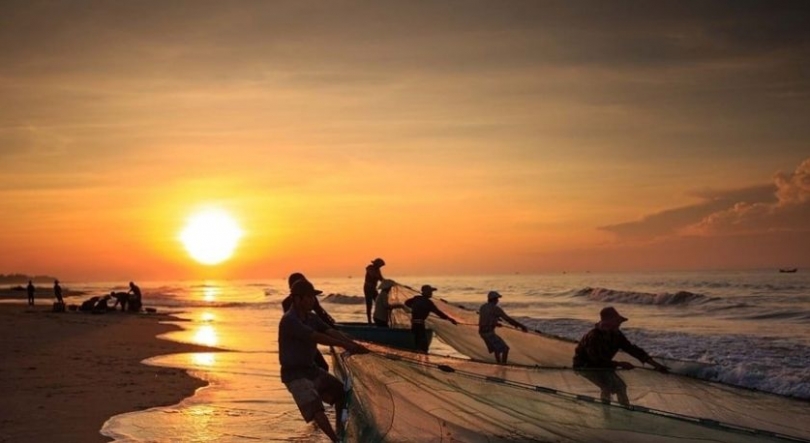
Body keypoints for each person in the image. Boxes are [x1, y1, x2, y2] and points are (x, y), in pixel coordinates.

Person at [279, 278, 369, 442]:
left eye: (313, 297)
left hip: (311, 370)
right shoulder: (289, 320)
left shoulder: (311, 317)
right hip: (295, 375)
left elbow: (329, 331)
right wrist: (344, 345)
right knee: (316, 409)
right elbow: (317, 336)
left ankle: (340, 432)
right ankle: (336, 440)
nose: (313, 301)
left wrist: (351, 343)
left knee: (341, 392)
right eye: (309, 297)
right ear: (298, 299)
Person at [573, 306, 669, 373]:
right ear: (607, 323)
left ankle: (608, 399)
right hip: (585, 366)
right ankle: (606, 400)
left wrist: (656, 365)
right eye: (616, 322)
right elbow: (596, 360)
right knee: (615, 386)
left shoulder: (616, 334)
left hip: (604, 365)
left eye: (618, 322)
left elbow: (631, 349)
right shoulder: (593, 336)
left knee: (617, 387)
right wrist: (619, 364)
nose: (619, 324)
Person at [281, 272, 336, 371]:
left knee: (319, 366)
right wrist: (332, 331)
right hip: (302, 339)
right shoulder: (289, 309)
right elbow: (319, 315)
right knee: (320, 366)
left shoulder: (307, 298)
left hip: (305, 338)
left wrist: (331, 328)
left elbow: (320, 315)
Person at [478, 291, 529, 365]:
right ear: (494, 299)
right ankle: (503, 365)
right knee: (505, 349)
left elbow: (485, 318)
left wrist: (495, 323)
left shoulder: (483, 307)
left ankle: (499, 363)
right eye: (497, 299)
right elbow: (508, 319)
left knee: (497, 349)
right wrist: (521, 326)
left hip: (482, 332)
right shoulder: (496, 309)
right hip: (489, 333)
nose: (498, 300)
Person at [404, 284, 458, 353]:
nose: (431, 293)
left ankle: (418, 354)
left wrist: (414, 308)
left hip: (414, 324)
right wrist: (450, 319)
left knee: (417, 341)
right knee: (423, 344)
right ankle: (423, 356)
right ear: (425, 292)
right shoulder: (428, 303)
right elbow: (438, 313)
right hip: (420, 325)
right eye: (430, 291)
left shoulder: (416, 298)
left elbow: (406, 303)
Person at [363, 258, 385, 324]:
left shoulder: (378, 270)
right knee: (369, 304)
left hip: (373, 288)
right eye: (380, 265)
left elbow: (381, 279)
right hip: (368, 288)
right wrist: (379, 277)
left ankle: (378, 319)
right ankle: (369, 321)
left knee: (378, 302)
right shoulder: (370, 267)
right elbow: (373, 275)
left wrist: (387, 283)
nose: (380, 267)